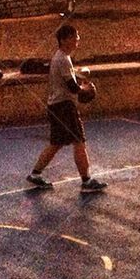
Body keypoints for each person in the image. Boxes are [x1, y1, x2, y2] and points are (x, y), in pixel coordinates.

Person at [26, 24, 107, 193]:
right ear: (64, 40)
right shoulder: (62, 59)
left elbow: (68, 80)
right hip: (64, 107)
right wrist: (86, 88)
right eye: (74, 37)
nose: (77, 41)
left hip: (56, 106)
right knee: (79, 141)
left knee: (56, 143)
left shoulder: (62, 58)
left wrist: (79, 81)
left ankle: (35, 175)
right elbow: (72, 88)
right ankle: (86, 181)